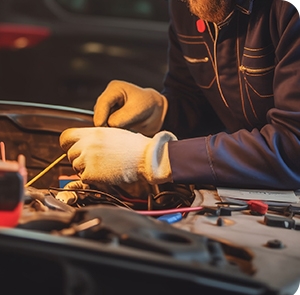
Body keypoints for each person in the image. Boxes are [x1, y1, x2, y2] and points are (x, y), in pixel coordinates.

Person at [59, 0, 300, 190]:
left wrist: (155, 158)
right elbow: (198, 106)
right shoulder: (188, 5)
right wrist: (161, 111)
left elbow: (292, 147)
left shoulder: (290, 9)